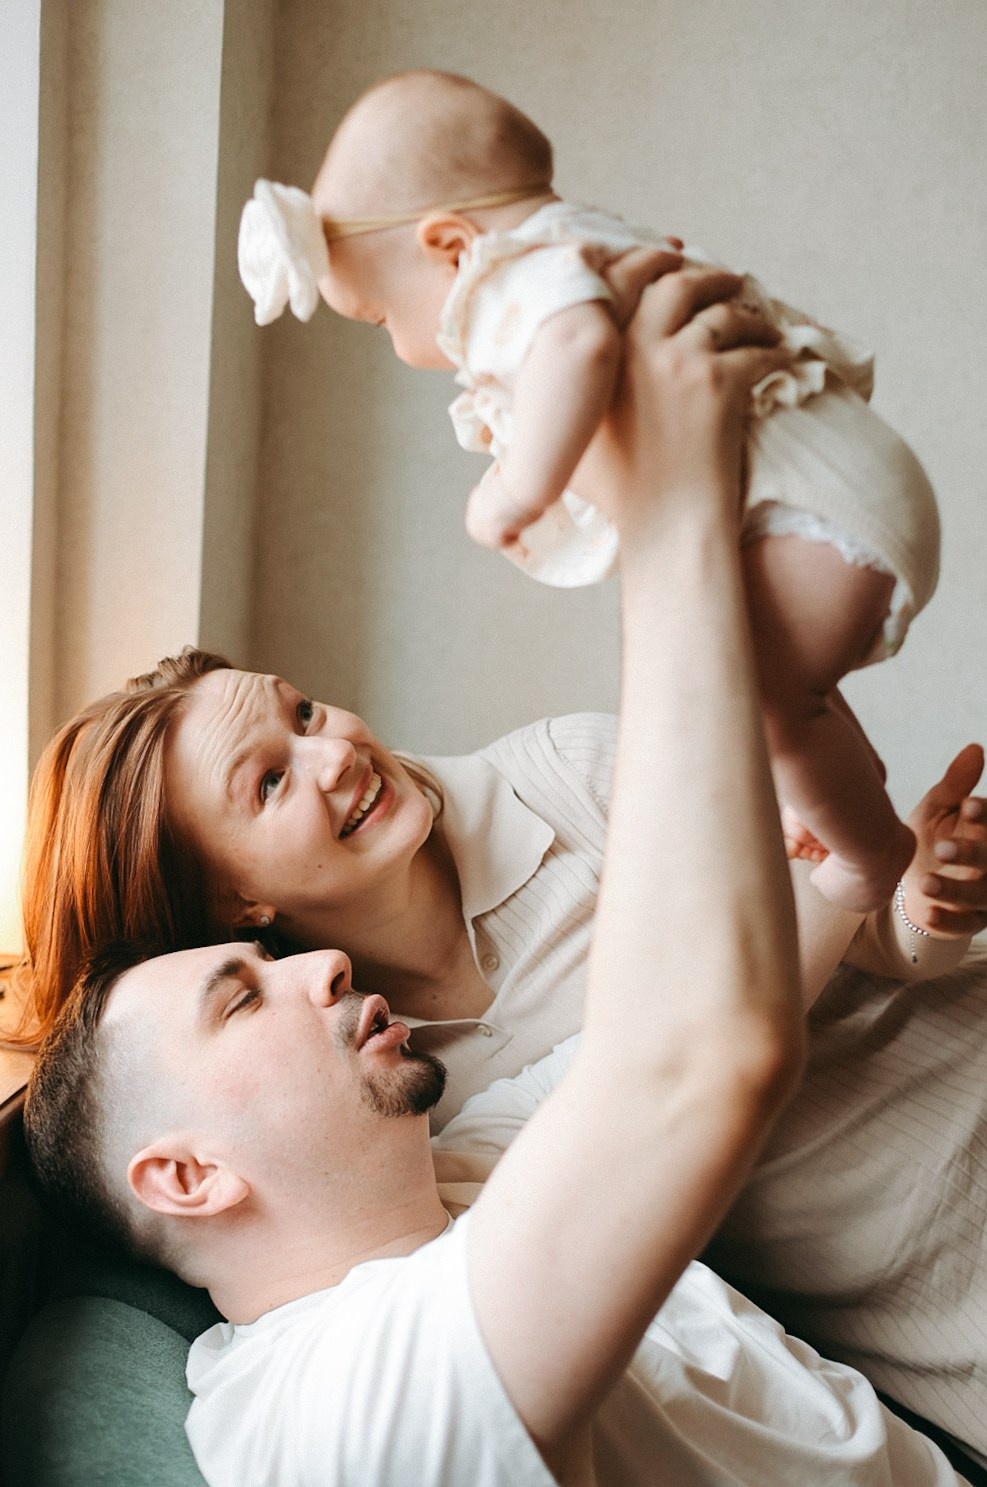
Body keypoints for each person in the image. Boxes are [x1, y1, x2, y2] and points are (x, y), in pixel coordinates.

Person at [23, 279, 987, 1487]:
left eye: (307, 713)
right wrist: (667, 513)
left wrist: (861, 851)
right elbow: (684, 1063)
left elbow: (740, 972)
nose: (319, 968)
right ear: (181, 1169)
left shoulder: (455, 1156)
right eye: (243, 985)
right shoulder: (330, 1407)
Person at [238, 68, 941, 911]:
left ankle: (870, 854)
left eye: (381, 318)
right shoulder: (571, 246)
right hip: (843, 483)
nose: (396, 345)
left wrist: (518, 490)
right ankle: (838, 788)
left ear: (450, 247)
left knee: (757, 696)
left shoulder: (517, 276)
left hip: (822, 511)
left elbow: (577, 347)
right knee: (778, 693)